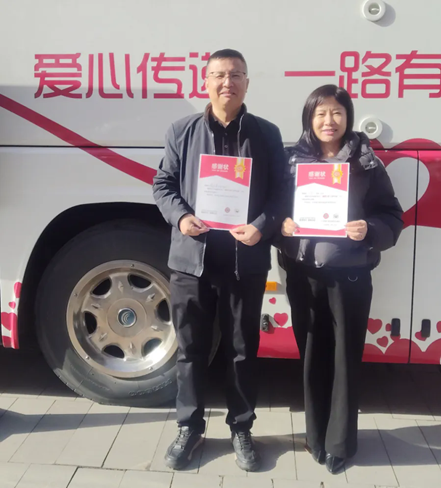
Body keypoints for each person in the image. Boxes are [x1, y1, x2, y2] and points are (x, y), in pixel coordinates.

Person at [153, 49, 286, 472]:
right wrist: (182, 217)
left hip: (244, 261)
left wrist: (262, 226)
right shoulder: (182, 130)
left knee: (242, 350)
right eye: (219, 75)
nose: (227, 82)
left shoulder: (266, 133)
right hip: (192, 261)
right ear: (205, 81)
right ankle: (189, 427)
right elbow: (163, 184)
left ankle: (241, 427)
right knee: (190, 349)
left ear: (247, 82)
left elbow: (282, 193)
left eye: (236, 75)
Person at [280, 84, 403, 474]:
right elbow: (272, 210)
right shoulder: (291, 161)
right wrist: (282, 225)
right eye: (320, 113)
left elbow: (392, 216)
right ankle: (315, 436)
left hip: (349, 277)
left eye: (336, 112)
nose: (328, 121)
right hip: (303, 276)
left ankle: (340, 444)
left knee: (345, 359)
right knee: (312, 355)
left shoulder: (366, 162)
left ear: (348, 117)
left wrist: (369, 229)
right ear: (309, 119)